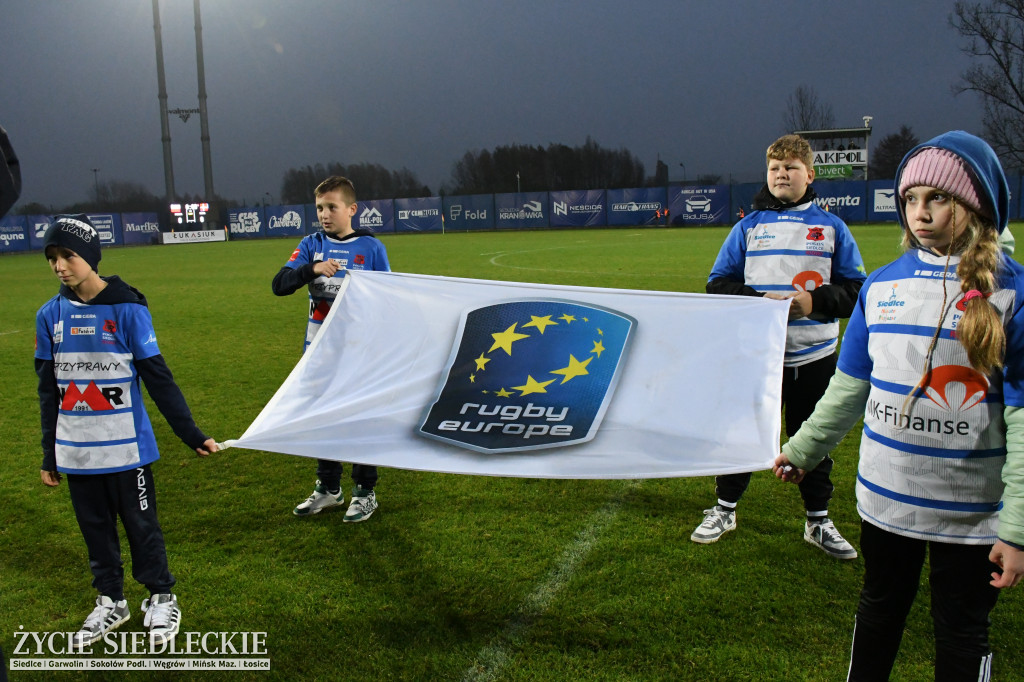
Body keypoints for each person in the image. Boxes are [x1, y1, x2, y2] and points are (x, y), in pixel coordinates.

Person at [774, 131, 1024, 680]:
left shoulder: (1014, 295)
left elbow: (1023, 419)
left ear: (976, 203)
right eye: (910, 199)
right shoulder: (882, 285)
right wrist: (804, 448)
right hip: (888, 503)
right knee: (879, 611)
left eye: (938, 198)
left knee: (961, 632)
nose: (920, 212)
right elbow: (848, 387)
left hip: (972, 517)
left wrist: (1017, 529)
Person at [35, 215, 219, 648]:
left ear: (92, 257)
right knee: (94, 529)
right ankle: (110, 600)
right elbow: (48, 394)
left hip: (127, 451)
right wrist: (50, 454)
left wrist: (191, 433)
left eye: (68, 256)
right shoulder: (49, 316)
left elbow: (158, 377)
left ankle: (160, 596)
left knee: (141, 527)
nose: (60, 266)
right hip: (77, 453)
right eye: (52, 258)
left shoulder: (129, 308)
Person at [691, 134, 866, 559]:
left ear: (810, 174)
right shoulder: (747, 228)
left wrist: (814, 302)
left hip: (816, 356)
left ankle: (818, 521)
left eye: (790, 167)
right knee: (740, 434)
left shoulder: (832, 229)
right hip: (756, 356)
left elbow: (857, 290)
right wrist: (756, 304)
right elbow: (717, 285)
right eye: (774, 168)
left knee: (812, 437)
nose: (781, 174)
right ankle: (725, 509)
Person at [272, 176, 390, 521]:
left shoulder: (371, 249)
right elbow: (279, 285)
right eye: (320, 208)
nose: (325, 214)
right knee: (321, 418)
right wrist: (311, 269)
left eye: (332, 207)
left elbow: (386, 298)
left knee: (360, 417)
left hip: (359, 351)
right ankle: (329, 489)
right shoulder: (311, 244)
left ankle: (365, 492)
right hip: (319, 351)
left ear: (351, 209)